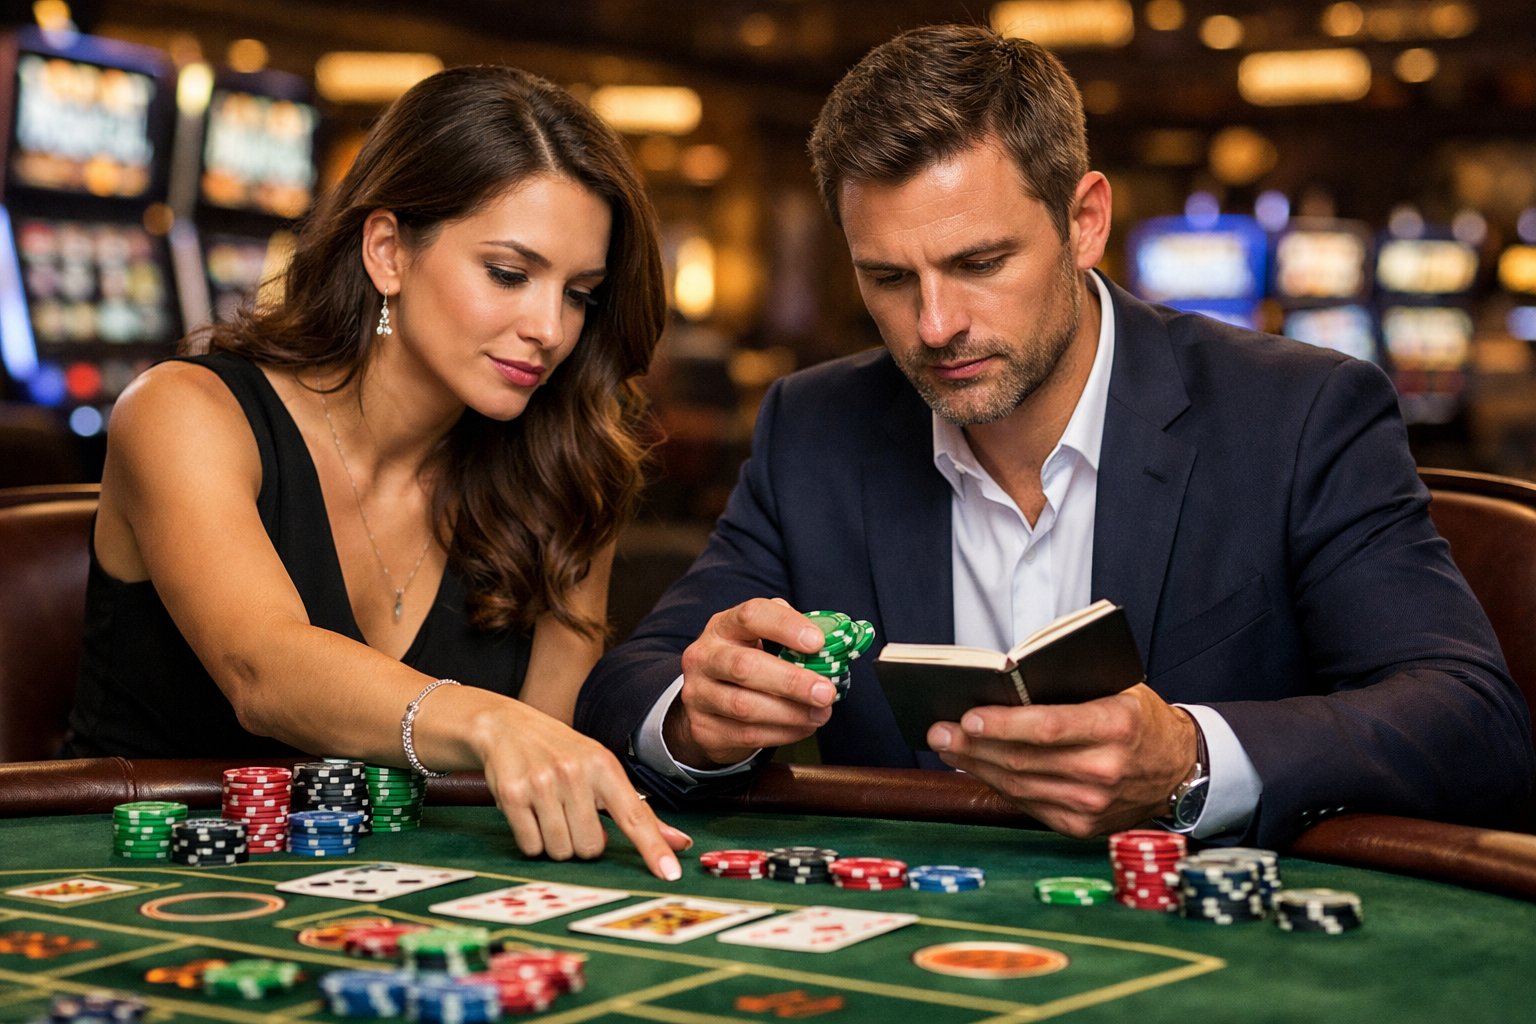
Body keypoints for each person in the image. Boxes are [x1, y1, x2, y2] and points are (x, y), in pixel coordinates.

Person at [578, 24, 1534, 848]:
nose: (936, 326)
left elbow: (1474, 721)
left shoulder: (1299, 413)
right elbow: (629, 685)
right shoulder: (816, 425)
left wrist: (1191, 757)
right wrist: (696, 717)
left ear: (1084, 221)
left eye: (980, 262)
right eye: (890, 279)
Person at [64, 65, 690, 880]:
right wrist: (487, 723)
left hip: (401, 901)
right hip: (117, 886)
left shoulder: (567, 476)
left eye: (579, 294)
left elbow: (545, 773)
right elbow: (263, 671)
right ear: (388, 251)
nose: (549, 327)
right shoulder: (184, 413)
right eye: (509, 274)